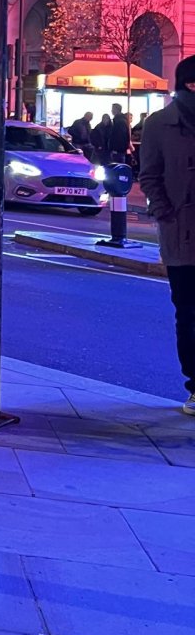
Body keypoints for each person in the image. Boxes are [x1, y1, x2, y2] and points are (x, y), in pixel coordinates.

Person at [138, 55, 195, 415]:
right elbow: (150, 176)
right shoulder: (160, 124)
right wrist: (166, 213)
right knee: (189, 313)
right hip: (183, 235)